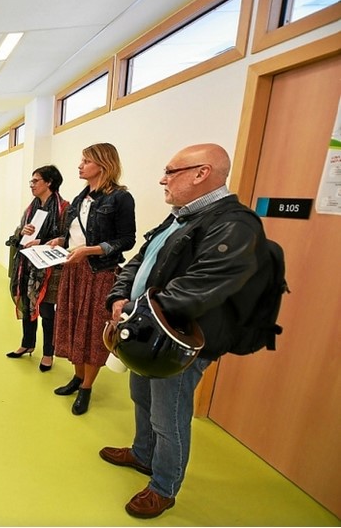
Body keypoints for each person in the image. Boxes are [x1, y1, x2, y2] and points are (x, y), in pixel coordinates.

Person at [101, 143, 266, 518]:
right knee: (141, 396)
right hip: (148, 333)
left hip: (180, 342)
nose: (162, 179)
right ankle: (143, 454)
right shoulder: (180, 217)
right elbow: (142, 258)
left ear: (201, 173)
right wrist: (119, 293)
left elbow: (201, 286)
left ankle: (164, 487)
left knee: (169, 416)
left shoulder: (234, 224)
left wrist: (137, 309)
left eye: (170, 171)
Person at [51, 142, 136, 415]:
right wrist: (60, 241)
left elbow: (126, 240)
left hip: (99, 274)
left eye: (86, 161)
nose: (80, 165)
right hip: (73, 272)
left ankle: (87, 387)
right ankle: (77, 377)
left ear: (103, 164)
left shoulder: (120, 198)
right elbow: (75, 235)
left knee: (91, 331)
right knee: (73, 325)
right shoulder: (80, 198)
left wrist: (90, 251)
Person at [5, 165, 69, 372]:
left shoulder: (64, 209)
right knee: (27, 304)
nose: (31, 185)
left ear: (49, 182)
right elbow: (17, 239)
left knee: (47, 311)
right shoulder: (31, 209)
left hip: (50, 269)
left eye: (36, 181)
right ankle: (27, 343)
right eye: (31, 181)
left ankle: (48, 353)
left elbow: (69, 239)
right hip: (28, 266)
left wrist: (44, 241)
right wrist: (22, 233)